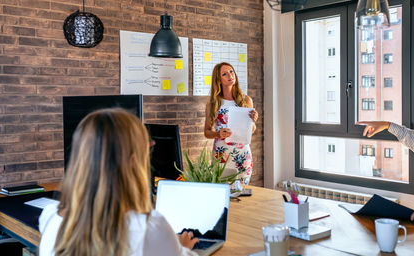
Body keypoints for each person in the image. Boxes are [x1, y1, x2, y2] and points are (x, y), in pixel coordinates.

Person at [39, 108, 199, 256]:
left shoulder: (50, 218)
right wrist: (180, 247)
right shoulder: (149, 229)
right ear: (133, 162)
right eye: (147, 149)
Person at [204, 62, 258, 185]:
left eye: (231, 71)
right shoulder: (213, 103)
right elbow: (207, 132)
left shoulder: (246, 100)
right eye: (225, 74)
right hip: (221, 154)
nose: (230, 75)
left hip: (242, 155)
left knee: (242, 194)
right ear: (219, 80)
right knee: (223, 192)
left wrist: (253, 121)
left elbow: (252, 130)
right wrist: (218, 134)